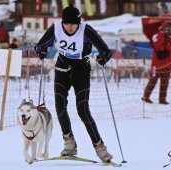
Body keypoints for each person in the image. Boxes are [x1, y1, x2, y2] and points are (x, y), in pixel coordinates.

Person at [34, 4, 113, 163]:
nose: (69, 27)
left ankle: (100, 147)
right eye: (67, 23)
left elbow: (105, 50)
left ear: (78, 22)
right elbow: (40, 45)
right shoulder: (56, 28)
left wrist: (103, 57)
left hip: (81, 70)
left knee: (82, 109)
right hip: (62, 69)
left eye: (73, 23)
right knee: (60, 106)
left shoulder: (86, 30)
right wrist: (41, 51)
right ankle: (69, 142)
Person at [142, 22, 171, 104]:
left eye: (167, 29)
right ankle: (145, 97)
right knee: (152, 81)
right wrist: (162, 35)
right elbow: (157, 46)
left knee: (165, 83)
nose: (165, 31)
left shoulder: (169, 37)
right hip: (156, 65)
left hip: (167, 65)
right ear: (160, 28)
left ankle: (162, 99)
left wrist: (166, 48)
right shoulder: (156, 36)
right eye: (164, 29)